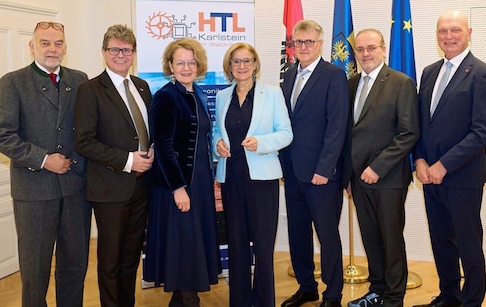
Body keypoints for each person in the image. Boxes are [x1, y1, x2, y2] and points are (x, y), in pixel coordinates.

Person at [0, 21, 91, 307]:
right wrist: (44, 160)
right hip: (33, 192)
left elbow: (88, 130)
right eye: (45, 43)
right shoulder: (13, 82)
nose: (52, 48)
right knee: (35, 272)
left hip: (74, 190)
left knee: (75, 265)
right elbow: (1, 135)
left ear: (66, 48)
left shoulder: (80, 79)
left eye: (58, 43)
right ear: (32, 46)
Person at [412, 10, 486, 307]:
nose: (448, 36)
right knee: (441, 242)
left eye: (455, 30)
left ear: (469, 32)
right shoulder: (429, 72)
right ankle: (449, 297)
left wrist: (443, 165)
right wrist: (420, 161)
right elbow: (422, 124)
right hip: (429, 176)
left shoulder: (483, 74)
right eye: (442, 31)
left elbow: (482, 132)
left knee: (468, 244)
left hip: (462, 177)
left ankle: (472, 301)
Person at [74, 24, 154, 307]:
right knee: (109, 262)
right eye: (115, 49)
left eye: (126, 50)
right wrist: (129, 160)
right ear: (104, 52)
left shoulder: (142, 87)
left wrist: (151, 150)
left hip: (142, 187)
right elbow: (84, 142)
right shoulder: (90, 90)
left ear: (133, 53)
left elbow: (145, 131)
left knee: (131, 258)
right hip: (109, 190)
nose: (121, 55)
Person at [341, 29, 420, 307]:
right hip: (357, 180)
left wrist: (377, 167)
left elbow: (409, 132)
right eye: (360, 49)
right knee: (371, 238)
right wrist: (346, 176)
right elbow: (347, 133)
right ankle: (377, 291)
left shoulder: (401, 83)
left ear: (383, 49)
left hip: (387, 178)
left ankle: (394, 298)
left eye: (371, 48)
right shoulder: (350, 84)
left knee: (391, 240)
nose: (365, 54)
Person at [213, 43, 293, 307]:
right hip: (231, 179)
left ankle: (263, 301)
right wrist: (217, 146)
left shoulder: (272, 94)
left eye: (247, 61)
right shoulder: (223, 96)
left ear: (255, 64)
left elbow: (285, 133)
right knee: (235, 243)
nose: (242, 66)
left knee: (262, 245)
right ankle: (239, 301)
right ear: (230, 66)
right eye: (236, 62)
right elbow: (216, 133)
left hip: (262, 180)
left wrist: (262, 142)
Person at [144, 37, 220, 307]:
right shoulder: (166, 96)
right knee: (184, 242)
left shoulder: (195, 92)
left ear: (198, 64)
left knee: (190, 242)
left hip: (199, 180)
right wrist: (178, 188)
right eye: (180, 63)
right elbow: (163, 146)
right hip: (178, 183)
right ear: (170, 65)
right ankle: (188, 299)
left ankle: (181, 298)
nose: (186, 67)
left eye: (191, 62)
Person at [279, 19, 349, 307]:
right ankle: (307, 287)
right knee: (298, 234)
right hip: (292, 172)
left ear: (320, 44)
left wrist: (325, 169)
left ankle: (333, 294)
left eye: (309, 42)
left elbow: (337, 126)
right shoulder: (288, 75)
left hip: (321, 175)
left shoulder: (334, 75)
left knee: (327, 236)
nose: (303, 47)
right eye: (299, 42)